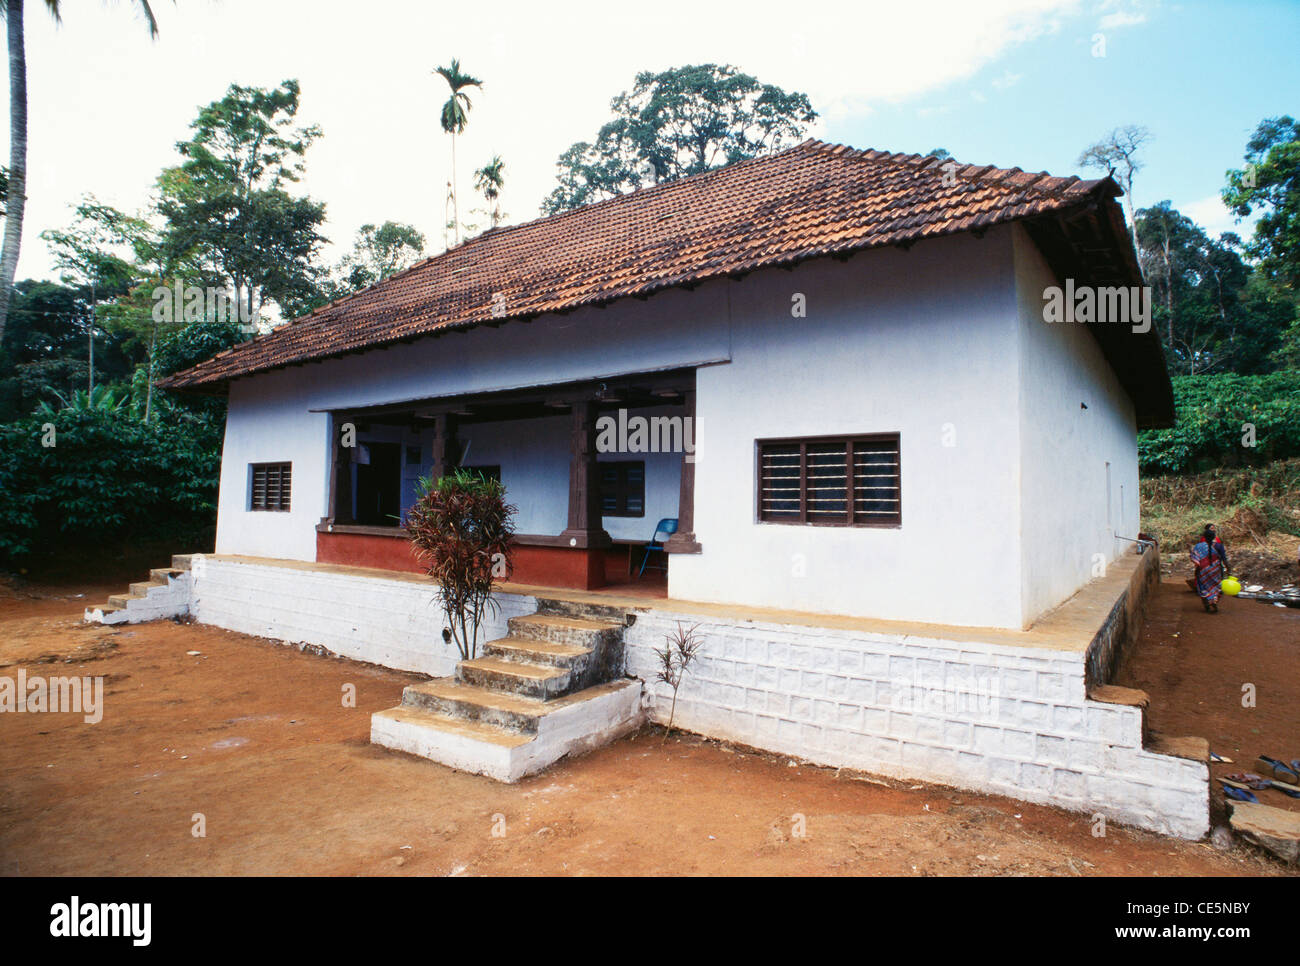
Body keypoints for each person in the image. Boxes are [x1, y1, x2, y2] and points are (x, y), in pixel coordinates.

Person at [1190, 524, 1229, 613]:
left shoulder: (1199, 546)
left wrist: (1197, 570)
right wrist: (1228, 570)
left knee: (1203, 587)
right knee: (1216, 587)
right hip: (1216, 571)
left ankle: (1207, 605)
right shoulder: (1219, 546)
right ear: (1214, 537)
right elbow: (1224, 559)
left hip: (1203, 570)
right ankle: (1214, 601)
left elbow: (1195, 558)